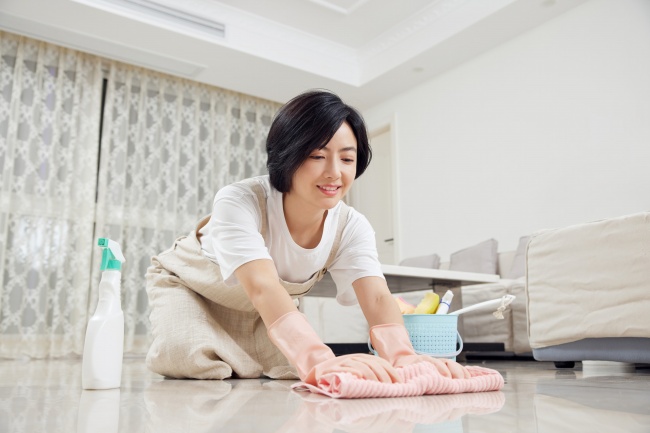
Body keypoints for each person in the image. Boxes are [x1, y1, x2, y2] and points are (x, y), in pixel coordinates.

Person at [145, 89, 470, 384]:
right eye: (317, 156)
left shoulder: (351, 226)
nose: (334, 172)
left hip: (263, 314)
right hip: (191, 291)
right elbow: (261, 285)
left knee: (295, 372)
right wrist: (316, 358)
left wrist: (405, 360)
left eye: (346, 158)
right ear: (288, 153)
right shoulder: (240, 201)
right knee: (199, 363)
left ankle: (245, 357)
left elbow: (376, 298)